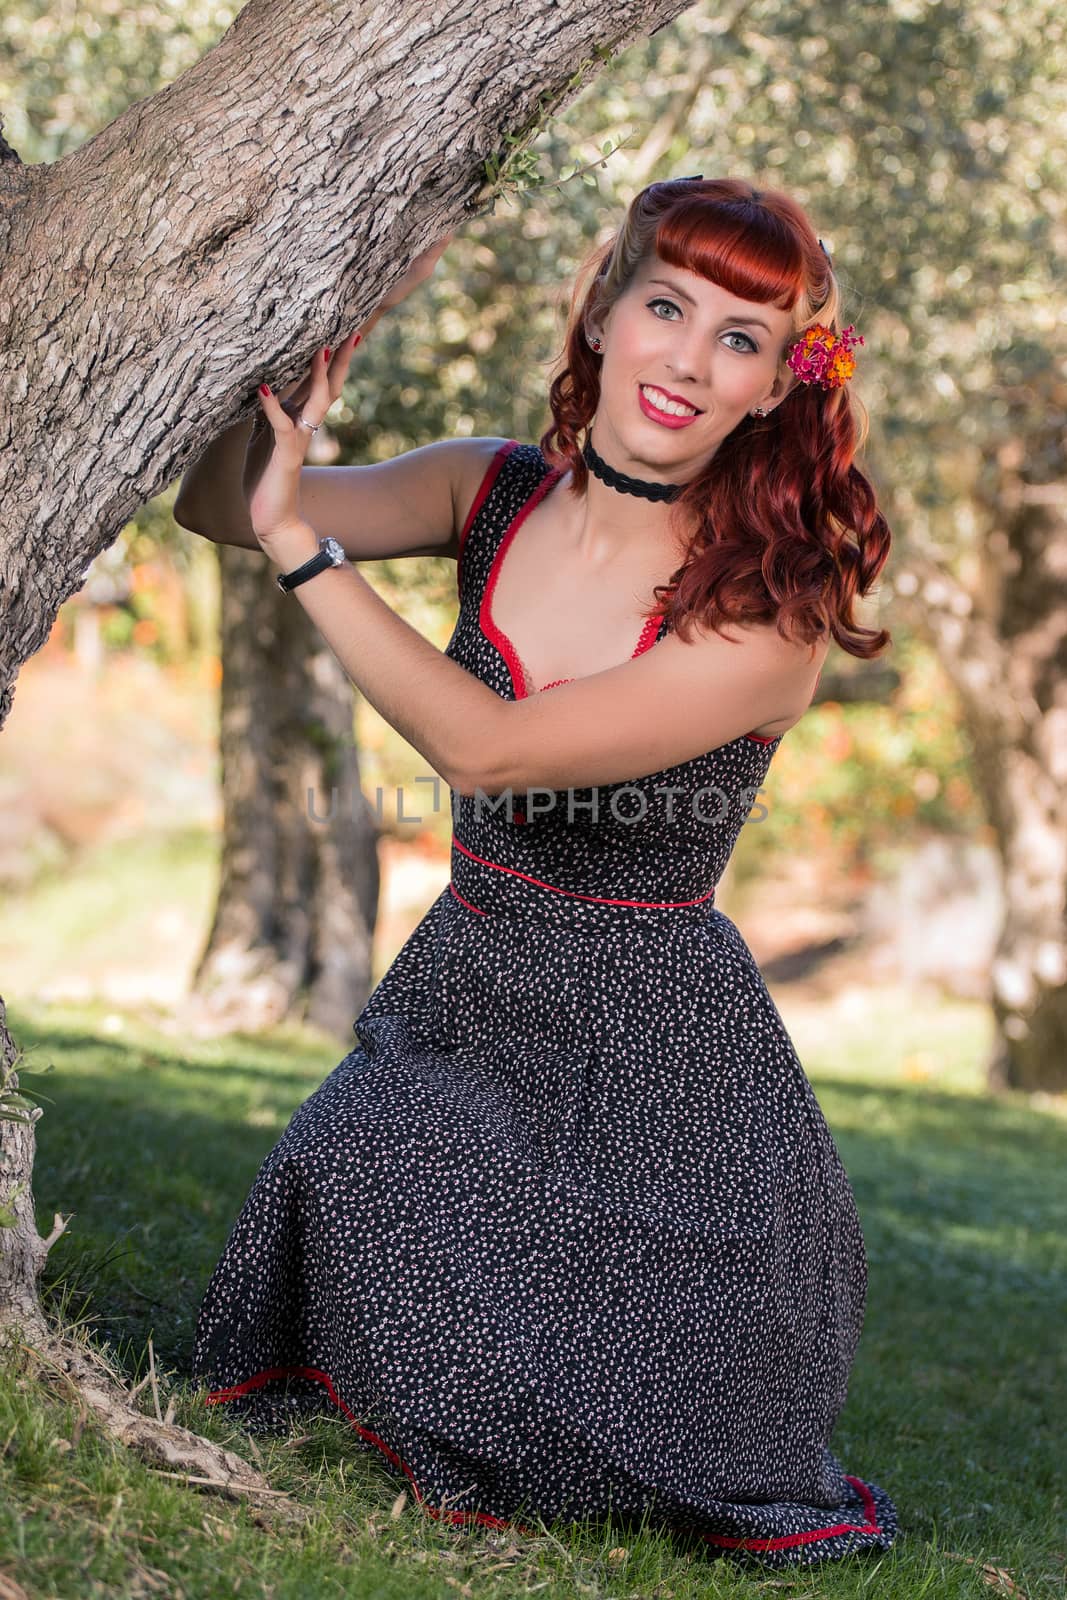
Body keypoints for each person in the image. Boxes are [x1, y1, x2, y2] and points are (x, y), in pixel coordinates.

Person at [181, 176, 899, 1569]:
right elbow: (223, 503)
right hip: (470, 995)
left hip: (665, 1087)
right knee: (359, 1171)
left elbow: (493, 753)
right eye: (667, 306)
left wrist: (301, 547)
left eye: (741, 339)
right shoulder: (489, 487)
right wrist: (318, 359)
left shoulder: (770, 616)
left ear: (773, 390)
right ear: (604, 309)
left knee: (588, 1396)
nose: (689, 359)